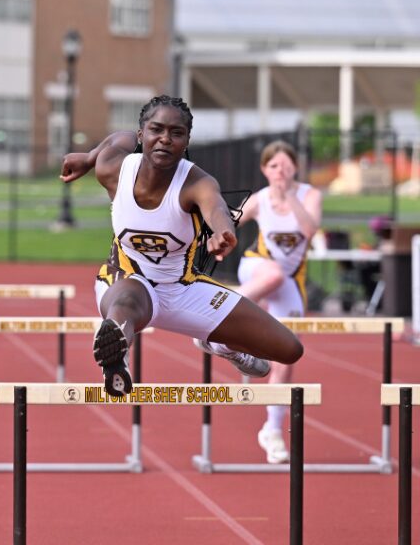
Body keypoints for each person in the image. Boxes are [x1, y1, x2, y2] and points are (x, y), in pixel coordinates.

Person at [60, 95, 303, 398]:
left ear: (187, 139)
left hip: (184, 289)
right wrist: (89, 156)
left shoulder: (196, 182)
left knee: (290, 349)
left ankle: (219, 344)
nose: (165, 139)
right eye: (156, 130)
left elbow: (216, 209)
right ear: (142, 135)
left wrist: (223, 233)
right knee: (128, 301)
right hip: (126, 280)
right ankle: (116, 354)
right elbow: (117, 139)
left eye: (176, 133)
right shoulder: (112, 169)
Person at [232, 140, 322, 463]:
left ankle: (271, 430)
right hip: (258, 268)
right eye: (274, 167)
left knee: (285, 356)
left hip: (291, 283)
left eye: (285, 166)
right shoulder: (259, 200)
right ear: (264, 170)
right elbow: (229, 221)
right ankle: (222, 309)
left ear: (295, 167)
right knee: (272, 275)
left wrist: (288, 198)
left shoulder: (309, 195)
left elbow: (310, 230)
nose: (280, 172)